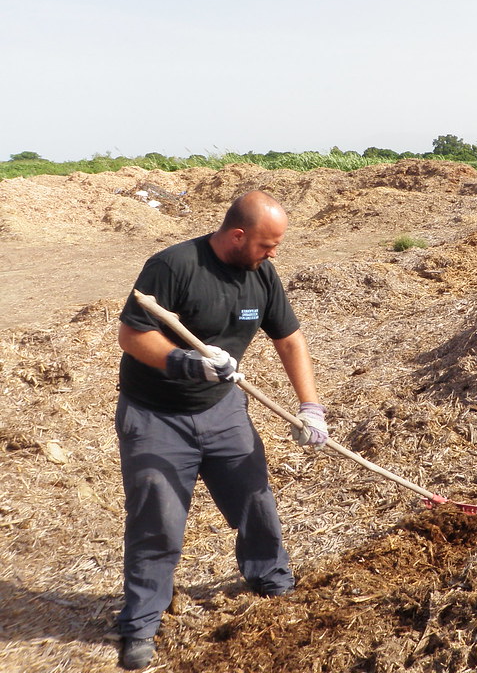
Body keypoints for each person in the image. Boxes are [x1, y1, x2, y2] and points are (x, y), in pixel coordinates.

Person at [113, 190, 329, 670]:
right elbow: (132, 335)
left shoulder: (261, 274)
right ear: (237, 235)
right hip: (156, 416)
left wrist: (310, 406)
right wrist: (185, 361)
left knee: (254, 497)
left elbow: (289, 338)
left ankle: (273, 580)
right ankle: (141, 623)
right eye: (266, 245)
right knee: (158, 520)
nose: (273, 255)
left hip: (222, 409)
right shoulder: (173, 267)